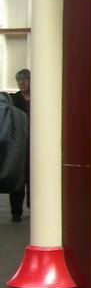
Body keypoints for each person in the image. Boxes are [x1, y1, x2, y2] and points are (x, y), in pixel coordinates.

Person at [9, 68, 30, 222]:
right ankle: (16, 213)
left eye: (25, 79)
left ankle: (35, 208)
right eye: (19, 80)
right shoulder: (13, 99)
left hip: (35, 144)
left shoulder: (39, 98)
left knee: (34, 178)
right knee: (17, 178)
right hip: (18, 144)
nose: (22, 83)